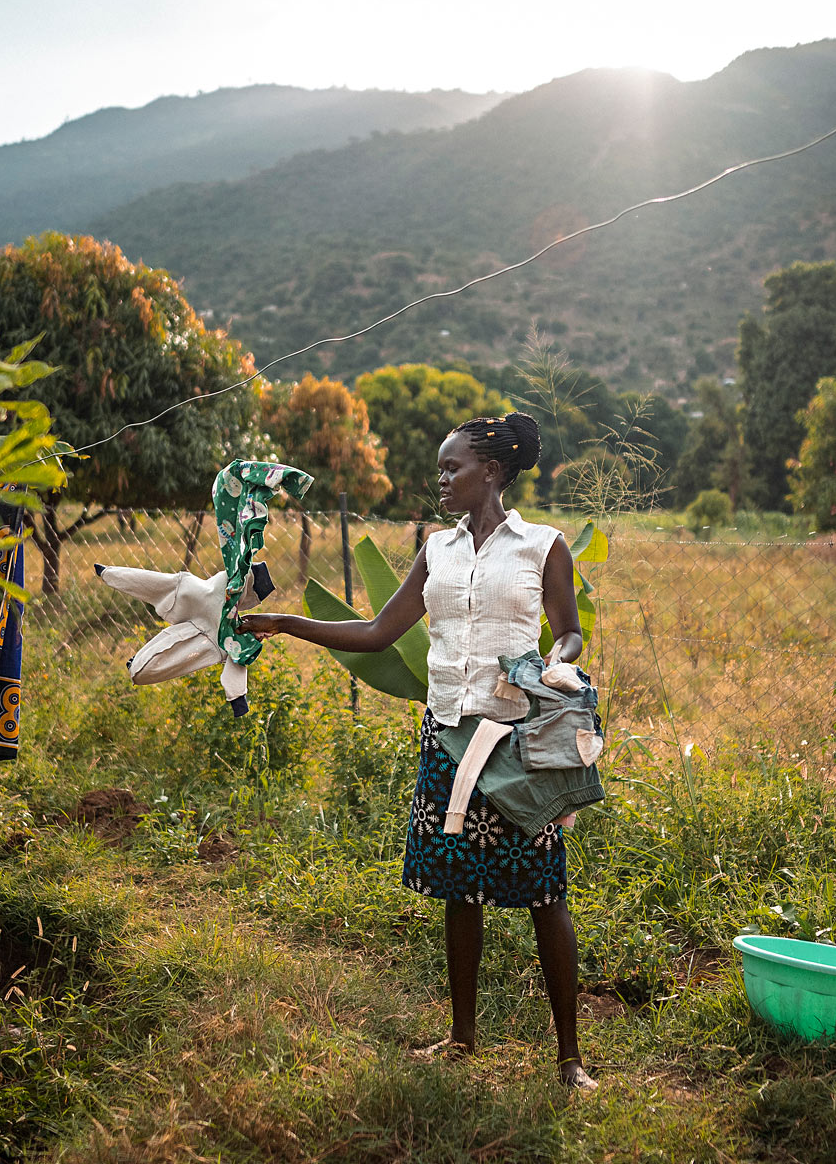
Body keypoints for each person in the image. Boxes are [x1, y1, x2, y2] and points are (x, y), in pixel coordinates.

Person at [238, 411, 598, 1090]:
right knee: (459, 889)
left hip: (518, 739)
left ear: (490, 472)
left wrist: (555, 663)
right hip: (447, 737)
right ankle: (463, 1038)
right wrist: (287, 623)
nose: (441, 480)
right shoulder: (437, 549)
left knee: (546, 892)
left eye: (451, 468)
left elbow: (569, 632)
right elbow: (378, 632)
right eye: (440, 469)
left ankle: (570, 1057)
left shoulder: (543, 546)